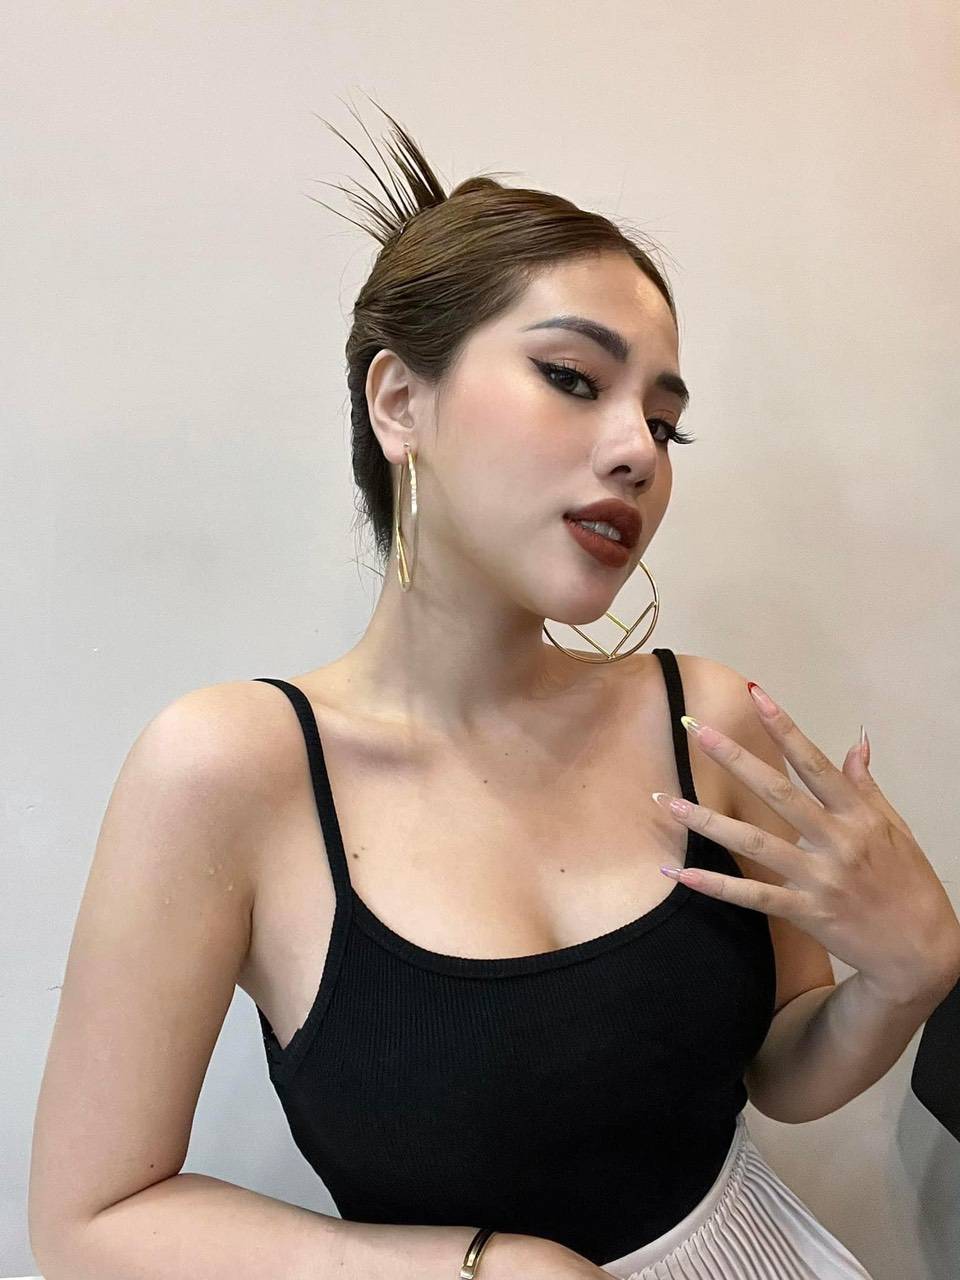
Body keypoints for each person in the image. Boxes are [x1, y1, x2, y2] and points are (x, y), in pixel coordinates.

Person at [29, 96, 880, 1280]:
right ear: (399, 401)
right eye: (573, 377)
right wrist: (482, 1267)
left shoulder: (710, 719)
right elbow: (89, 1219)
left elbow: (780, 1069)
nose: (637, 448)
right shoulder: (228, 770)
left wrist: (904, 978)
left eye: (665, 422)